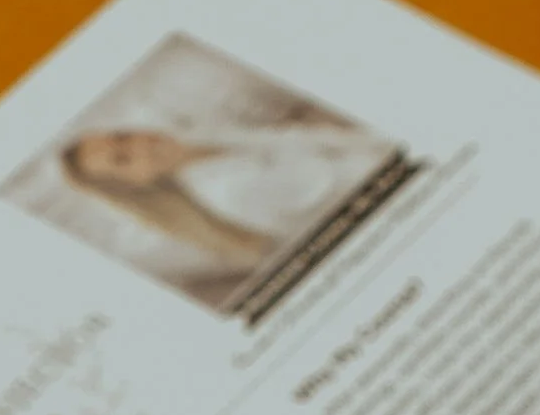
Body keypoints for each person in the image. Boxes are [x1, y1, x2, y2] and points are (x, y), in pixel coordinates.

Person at [60, 111, 390, 288]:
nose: (139, 145)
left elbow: (325, 140)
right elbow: (355, 180)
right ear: (136, 182)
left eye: (122, 136)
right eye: (123, 159)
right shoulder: (230, 191)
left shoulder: (207, 140)